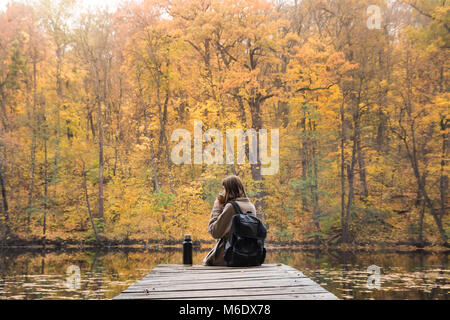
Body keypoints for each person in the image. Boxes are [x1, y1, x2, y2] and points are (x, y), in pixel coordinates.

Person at [202, 175, 257, 266]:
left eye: (224, 189)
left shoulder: (231, 207)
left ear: (230, 190)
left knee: (207, 262)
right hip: (248, 255)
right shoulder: (251, 206)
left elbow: (215, 232)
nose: (222, 192)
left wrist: (216, 208)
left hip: (230, 255)